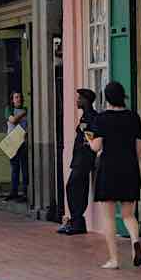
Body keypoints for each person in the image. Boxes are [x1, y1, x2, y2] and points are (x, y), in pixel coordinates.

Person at [89, 81, 141, 270]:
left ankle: (114, 259)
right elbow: (139, 150)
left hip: (109, 170)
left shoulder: (102, 119)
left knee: (109, 218)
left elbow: (96, 146)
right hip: (129, 169)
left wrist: (90, 143)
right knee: (128, 215)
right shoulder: (134, 117)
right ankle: (135, 241)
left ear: (107, 98)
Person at [59, 88, 98, 235]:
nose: (77, 101)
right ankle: (77, 222)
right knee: (74, 188)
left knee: (74, 187)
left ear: (86, 101)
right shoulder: (85, 117)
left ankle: (77, 221)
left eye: (80, 98)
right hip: (79, 158)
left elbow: (89, 137)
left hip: (84, 158)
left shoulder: (91, 117)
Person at [5, 91, 29, 201]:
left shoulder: (26, 109)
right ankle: (13, 191)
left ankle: (25, 192)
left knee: (24, 167)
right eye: (16, 97)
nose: (19, 99)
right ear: (12, 100)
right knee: (14, 168)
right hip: (13, 139)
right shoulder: (9, 109)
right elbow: (13, 120)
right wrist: (23, 113)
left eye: (20, 97)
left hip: (23, 139)